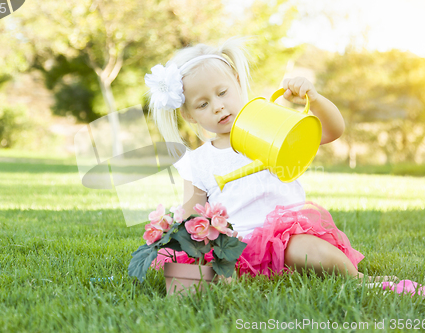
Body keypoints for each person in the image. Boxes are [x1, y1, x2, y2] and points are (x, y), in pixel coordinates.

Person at [144, 37, 400, 287]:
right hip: (236, 246)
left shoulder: (269, 125)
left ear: (236, 81)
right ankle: (222, 282)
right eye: (203, 104)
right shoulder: (197, 161)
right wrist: (176, 234)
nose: (218, 107)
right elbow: (193, 215)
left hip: (288, 239)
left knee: (309, 248)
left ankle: (360, 281)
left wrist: (315, 98)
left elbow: (332, 131)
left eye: (222, 93)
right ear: (188, 115)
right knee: (186, 275)